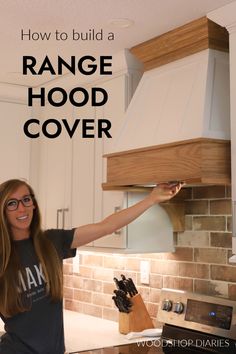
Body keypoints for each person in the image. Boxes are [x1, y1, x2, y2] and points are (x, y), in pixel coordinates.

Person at [0, 178, 183, 354]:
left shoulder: (52, 242)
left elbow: (106, 226)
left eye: (26, 199)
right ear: (3, 210)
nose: (22, 208)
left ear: (33, 204)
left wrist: (152, 198)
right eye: (12, 203)